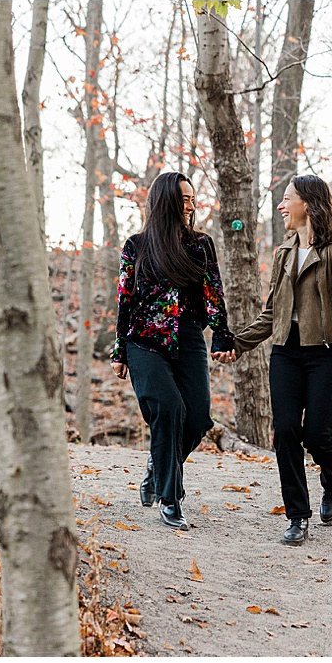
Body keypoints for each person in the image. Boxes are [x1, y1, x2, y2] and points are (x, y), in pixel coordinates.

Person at [228, 175, 332, 546]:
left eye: (286, 199)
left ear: (308, 204)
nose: (281, 206)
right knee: (285, 432)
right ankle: (297, 516)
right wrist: (238, 343)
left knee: (316, 433)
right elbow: (271, 314)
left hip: (327, 354)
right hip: (285, 353)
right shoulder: (282, 253)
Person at [111, 172, 235, 530]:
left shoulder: (201, 245)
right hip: (144, 342)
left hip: (189, 338)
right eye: (184, 199)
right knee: (168, 408)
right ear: (165, 201)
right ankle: (170, 498)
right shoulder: (136, 246)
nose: (191, 206)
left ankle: (158, 464)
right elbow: (125, 300)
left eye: (193, 199)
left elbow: (214, 294)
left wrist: (222, 336)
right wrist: (119, 349)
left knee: (197, 418)